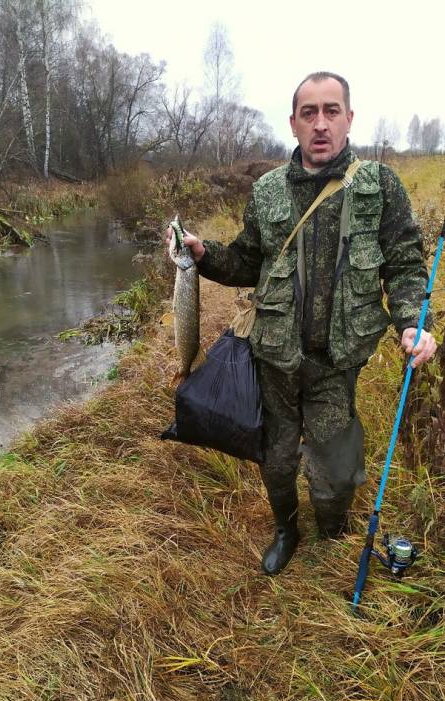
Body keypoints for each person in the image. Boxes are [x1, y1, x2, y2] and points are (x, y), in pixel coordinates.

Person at [165, 71, 437, 576]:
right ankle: (286, 528)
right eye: (308, 113)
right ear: (293, 123)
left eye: (331, 111)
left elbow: (404, 264)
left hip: (337, 362)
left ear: (349, 118)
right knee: (278, 456)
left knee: (335, 462)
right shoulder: (267, 190)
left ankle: (333, 526)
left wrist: (410, 322)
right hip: (275, 358)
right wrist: (202, 255)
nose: (320, 123)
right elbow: (247, 260)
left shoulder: (379, 187)